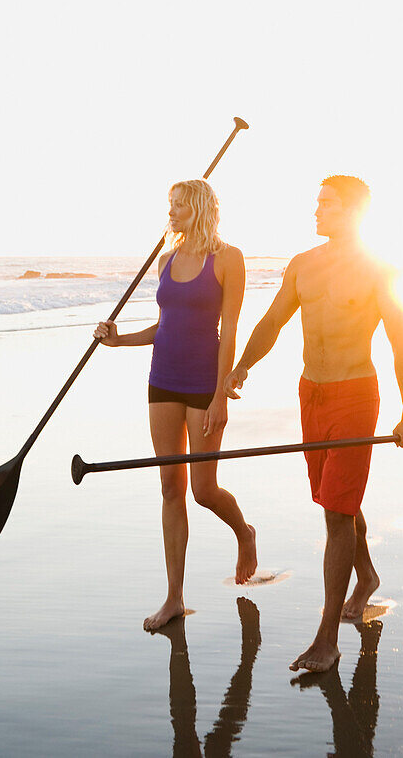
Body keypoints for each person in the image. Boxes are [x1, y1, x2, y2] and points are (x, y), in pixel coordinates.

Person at [224, 175, 403, 672]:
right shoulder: (302, 265)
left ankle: (327, 638)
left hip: (356, 395)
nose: (316, 211)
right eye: (316, 203)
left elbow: (401, 342)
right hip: (311, 393)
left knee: (335, 512)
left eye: (327, 204)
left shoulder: (379, 269)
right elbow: (272, 323)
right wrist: (243, 365)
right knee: (336, 498)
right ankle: (367, 574)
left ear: (354, 212)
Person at [95, 178, 257, 631]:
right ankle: (174, 598)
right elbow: (164, 326)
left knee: (203, 491)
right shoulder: (165, 259)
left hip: (204, 384)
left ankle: (244, 533)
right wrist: (118, 340)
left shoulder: (228, 259)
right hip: (161, 380)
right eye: (169, 205)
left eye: (180, 206)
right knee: (170, 488)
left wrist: (222, 394)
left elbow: (230, 328)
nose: (171, 213)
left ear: (201, 209)